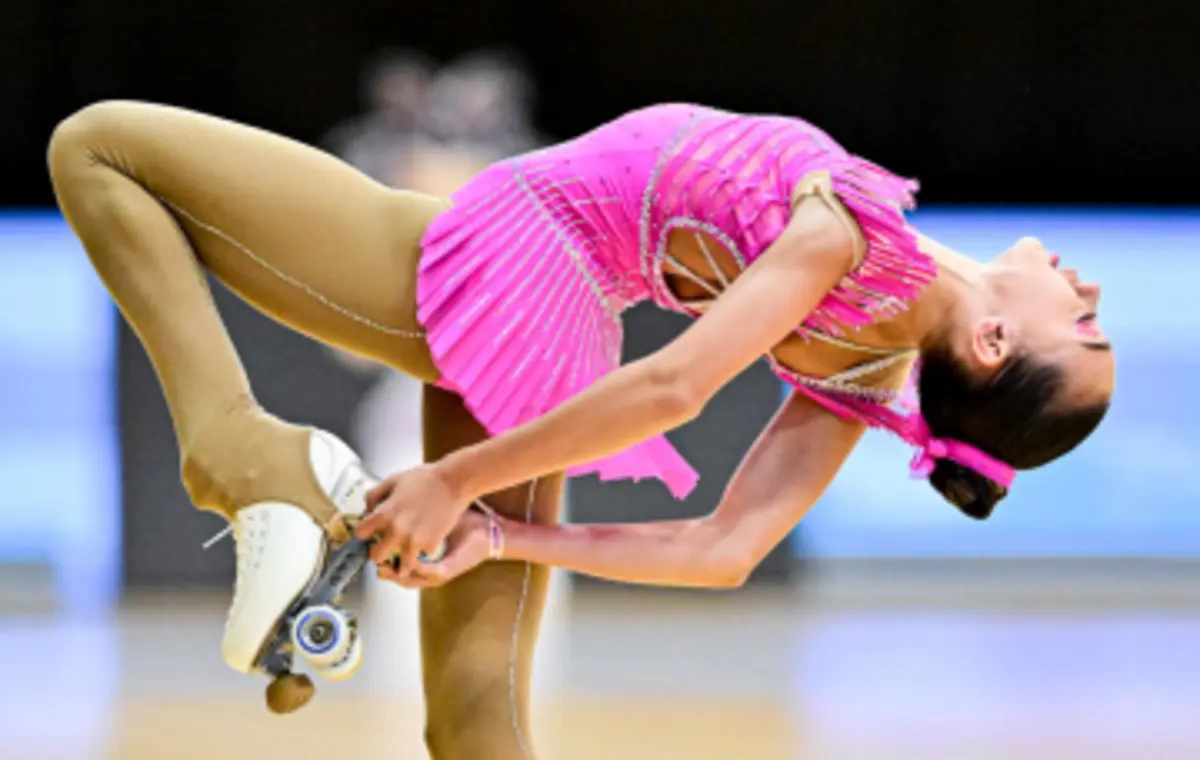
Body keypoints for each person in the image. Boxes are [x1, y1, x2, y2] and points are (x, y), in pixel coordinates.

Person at [46, 100, 1112, 759]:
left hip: (500, 267)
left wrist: (458, 485)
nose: (1091, 288)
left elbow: (676, 392)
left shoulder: (848, 235)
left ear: (989, 344)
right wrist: (498, 532)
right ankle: (252, 465)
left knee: (99, 149)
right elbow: (722, 547)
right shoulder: (872, 342)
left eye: (1086, 327)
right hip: (546, 330)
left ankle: (238, 452)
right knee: (479, 726)